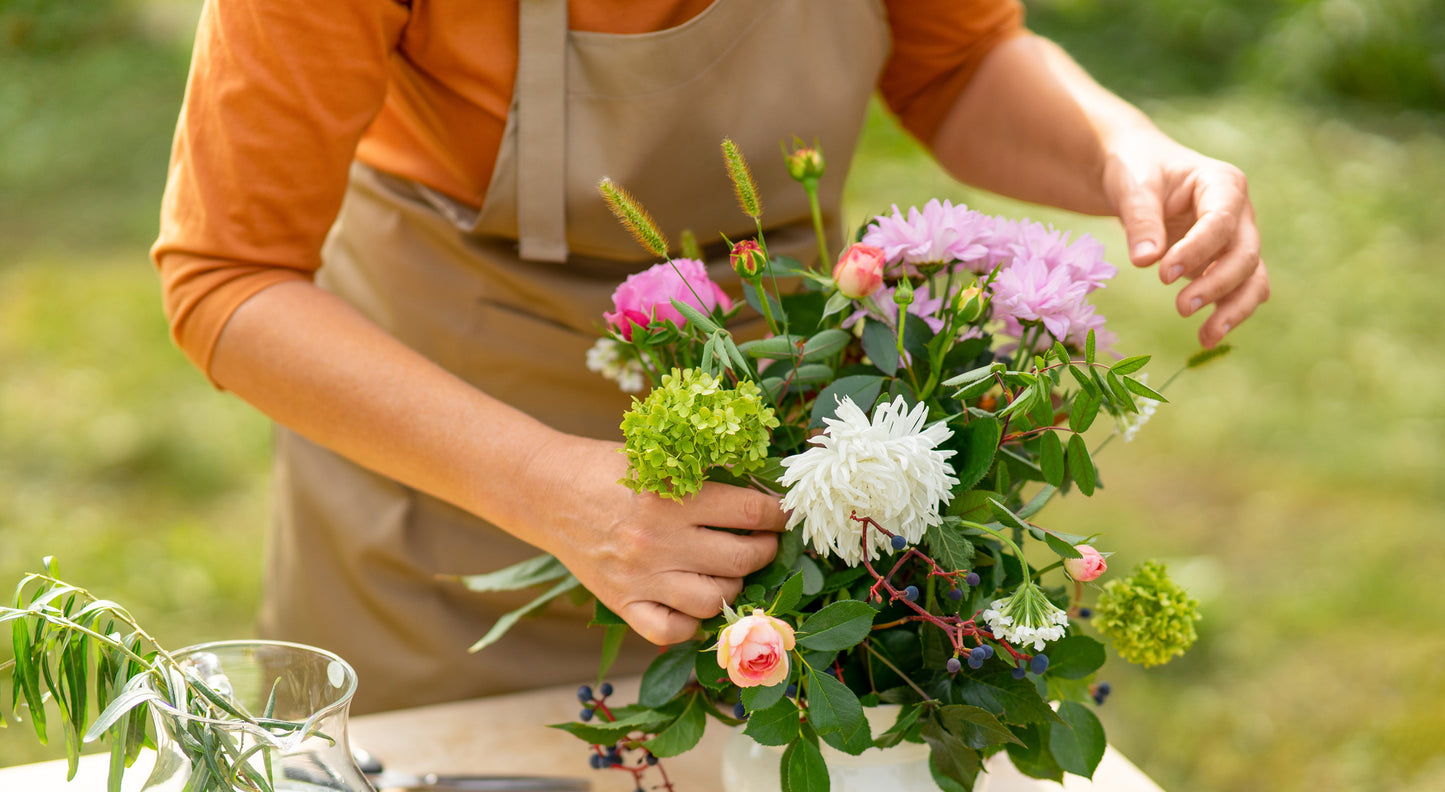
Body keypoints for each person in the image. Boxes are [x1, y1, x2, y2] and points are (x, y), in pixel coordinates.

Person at [153, 0, 1268, 714]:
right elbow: (227, 275)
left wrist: (1123, 151)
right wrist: (545, 485)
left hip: (786, 511)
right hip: (444, 520)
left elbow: (958, 61)